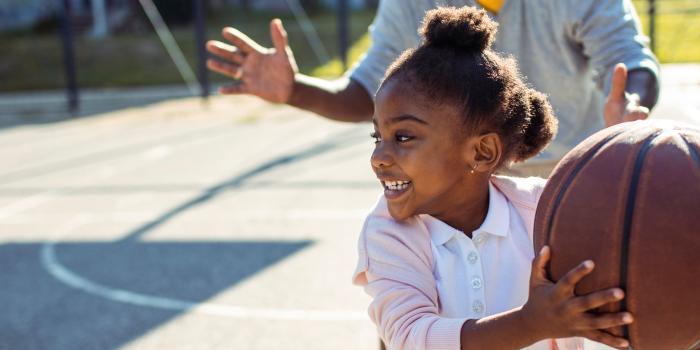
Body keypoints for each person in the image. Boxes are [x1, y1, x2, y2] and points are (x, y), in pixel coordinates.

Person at [352, 7, 632, 349]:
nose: (378, 157)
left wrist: (623, 147)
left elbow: (630, 234)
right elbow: (411, 338)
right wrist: (531, 323)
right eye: (377, 137)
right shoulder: (387, 233)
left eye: (404, 137)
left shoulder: (542, 212)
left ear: (482, 152)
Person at [206, 0, 659, 177]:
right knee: (418, 314)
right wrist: (295, 90)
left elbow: (630, 60)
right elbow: (367, 90)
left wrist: (630, 105)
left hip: (565, 168)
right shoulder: (410, 4)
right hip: (456, 173)